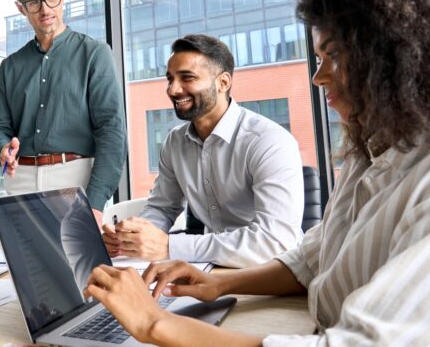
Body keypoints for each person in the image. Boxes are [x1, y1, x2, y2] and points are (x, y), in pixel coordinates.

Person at [85, 0, 430, 346]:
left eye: (332, 56)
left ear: (399, 54)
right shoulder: (369, 150)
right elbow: (313, 256)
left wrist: (154, 322)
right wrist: (216, 284)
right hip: (275, 302)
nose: (318, 77)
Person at [102, 34, 303, 267]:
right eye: (170, 79)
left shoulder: (269, 141)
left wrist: (169, 246)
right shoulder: (175, 142)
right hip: (211, 266)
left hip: (272, 271)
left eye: (187, 78)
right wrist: (133, 239)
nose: (173, 90)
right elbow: (162, 208)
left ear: (223, 83)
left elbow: (274, 241)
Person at [0, 0, 127, 222]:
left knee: (75, 263)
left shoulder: (95, 54)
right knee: (10, 262)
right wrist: (2, 148)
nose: (45, 9)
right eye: (33, 3)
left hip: (74, 179)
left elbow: (112, 131)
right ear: (21, 8)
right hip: (20, 181)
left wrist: (95, 203)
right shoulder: (10, 66)